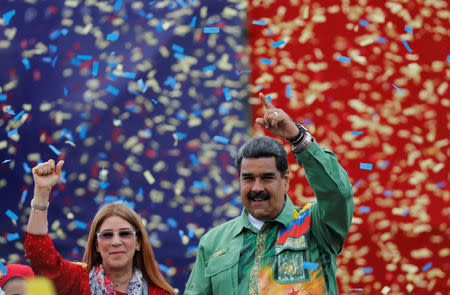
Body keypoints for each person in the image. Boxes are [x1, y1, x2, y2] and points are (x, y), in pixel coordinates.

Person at [184, 93, 354, 295]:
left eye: (267, 178)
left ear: (285, 180)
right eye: (248, 178)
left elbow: (338, 194)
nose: (256, 188)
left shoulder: (315, 227)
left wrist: (297, 137)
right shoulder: (214, 242)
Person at [24, 160, 176, 295]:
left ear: (138, 242)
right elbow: (39, 252)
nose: (116, 241)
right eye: (107, 235)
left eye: (124, 234)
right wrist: (42, 193)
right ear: (96, 245)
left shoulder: (158, 293)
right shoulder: (76, 281)